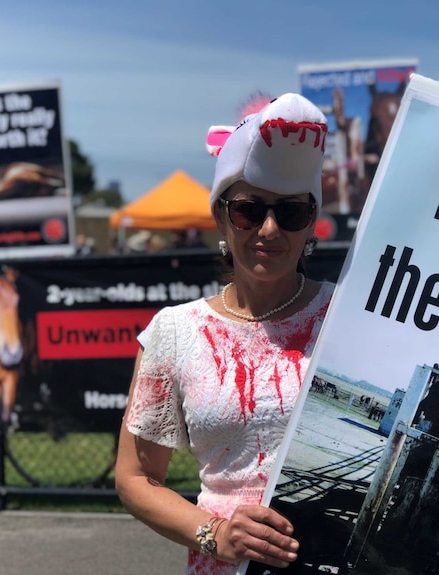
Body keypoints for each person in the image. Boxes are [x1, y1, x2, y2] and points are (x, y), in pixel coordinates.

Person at [115, 93, 332, 575]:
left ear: (312, 220)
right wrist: (215, 533)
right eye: (248, 210)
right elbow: (135, 477)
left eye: (291, 212)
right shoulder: (175, 332)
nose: (269, 229)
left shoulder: (344, 316)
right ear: (220, 215)